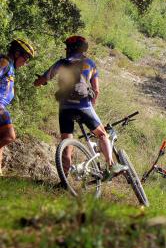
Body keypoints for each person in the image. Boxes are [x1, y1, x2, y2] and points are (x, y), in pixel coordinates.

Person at [33, 36, 127, 180]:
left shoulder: (61, 63)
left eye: (67, 48)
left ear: (70, 49)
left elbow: (44, 79)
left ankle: (64, 180)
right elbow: (96, 90)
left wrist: (38, 83)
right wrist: (92, 103)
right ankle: (111, 165)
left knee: (66, 144)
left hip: (65, 108)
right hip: (83, 106)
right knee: (102, 134)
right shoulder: (90, 63)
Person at [0, 39, 36, 176]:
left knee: (1, 139)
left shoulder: (11, 67)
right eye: (25, 58)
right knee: (10, 136)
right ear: (16, 53)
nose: (26, 62)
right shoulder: (5, 62)